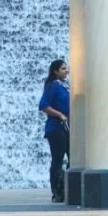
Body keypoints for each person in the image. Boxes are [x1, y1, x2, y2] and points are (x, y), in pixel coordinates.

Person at [38, 59, 71, 202]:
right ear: (55, 71)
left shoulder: (65, 85)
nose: (67, 70)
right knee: (57, 160)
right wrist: (60, 115)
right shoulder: (52, 86)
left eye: (67, 68)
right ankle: (57, 193)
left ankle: (67, 187)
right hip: (56, 128)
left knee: (74, 159)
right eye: (63, 68)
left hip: (68, 128)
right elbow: (43, 105)